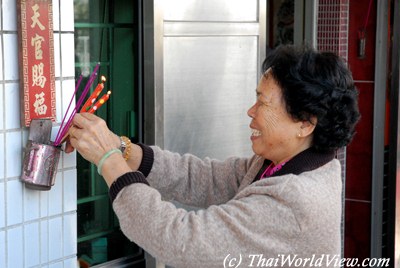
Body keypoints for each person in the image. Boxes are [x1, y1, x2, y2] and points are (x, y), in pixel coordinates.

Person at [66, 44, 360, 268]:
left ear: (305, 122)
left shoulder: (294, 201)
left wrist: (109, 160)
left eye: (262, 102)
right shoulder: (287, 165)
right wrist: (122, 149)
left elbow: (180, 239)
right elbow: (202, 177)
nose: (251, 111)